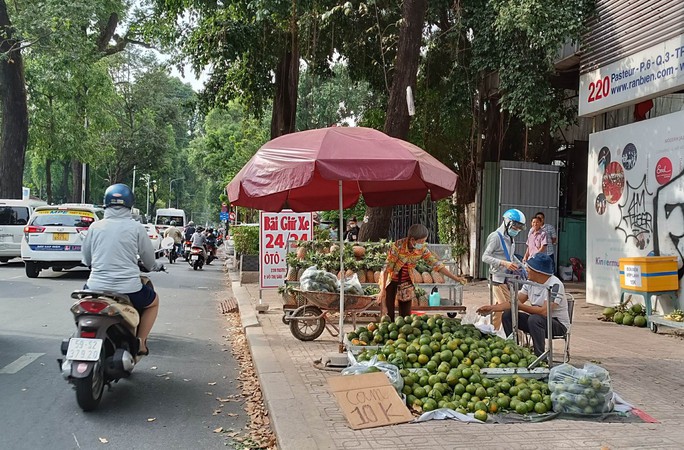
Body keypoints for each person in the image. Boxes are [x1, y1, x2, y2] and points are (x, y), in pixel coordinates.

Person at [81, 184, 163, 356]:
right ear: (130, 205)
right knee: (153, 302)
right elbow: (148, 261)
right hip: (128, 289)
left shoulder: (95, 227)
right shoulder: (137, 228)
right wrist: (154, 267)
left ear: (106, 204)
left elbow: (86, 259)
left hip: (95, 288)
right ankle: (140, 343)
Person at [476, 253, 570, 357]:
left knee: (535, 319)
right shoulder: (530, 282)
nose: (526, 270)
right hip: (537, 321)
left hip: (557, 324)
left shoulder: (555, 285)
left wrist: (520, 306)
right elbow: (514, 301)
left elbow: (544, 311)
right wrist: (492, 308)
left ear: (538, 271)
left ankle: (540, 357)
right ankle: (513, 350)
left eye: (528, 268)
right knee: (508, 314)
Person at [379, 224, 466, 321]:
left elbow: (437, 264)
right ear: (412, 240)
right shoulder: (397, 247)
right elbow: (386, 269)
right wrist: (382, 290)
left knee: (406, 316)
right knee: (388, 313)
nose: (423, 243)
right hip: (391, 280)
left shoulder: (422, 249)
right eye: (421, 241)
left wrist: (456, 278)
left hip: (407, 282)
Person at [482, 209, 526, 330]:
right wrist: (503, 263)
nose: (516, 230)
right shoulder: (495, 237)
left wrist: (522, 265)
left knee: (504, 306)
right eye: (515, 226)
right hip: (495, 280)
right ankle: (494, 330)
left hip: (506, 280)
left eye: (519, 228)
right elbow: (485, 257)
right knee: (504, 307)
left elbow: (511, 257)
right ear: (507, 222)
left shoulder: (511, 239)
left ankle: (490, 330)